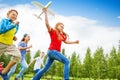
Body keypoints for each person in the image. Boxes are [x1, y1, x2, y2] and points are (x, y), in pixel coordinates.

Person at [32, 8, 79, 80]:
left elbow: (66, 42)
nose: (62, 28)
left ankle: (34, 79)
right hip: (53, 51)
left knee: (45, 68)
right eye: (61, 26)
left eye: (63, 27)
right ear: (57, 26)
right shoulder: (53, 31)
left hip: (52, 54)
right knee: (67, 61)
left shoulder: (62, 35)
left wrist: (75, 42)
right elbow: (47, 24)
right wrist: (45, 14)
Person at [0, 9, 21, 80]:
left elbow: (12, 33)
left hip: (10, 45)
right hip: (1, 43)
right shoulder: (4, 20)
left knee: (18, 56)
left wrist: (13, 37)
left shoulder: (16, 25)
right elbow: (2, 30)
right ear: (8, 14)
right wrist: (14, 24)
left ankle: (4, 72)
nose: (14, 16)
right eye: (13, 14)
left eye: (16, 16)